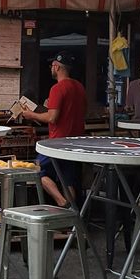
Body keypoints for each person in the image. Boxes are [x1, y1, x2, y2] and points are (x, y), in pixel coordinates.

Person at [21, 51, 87, 207]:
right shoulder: (79, 87)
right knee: (68, 179)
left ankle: (61, 201)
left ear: (57, 67)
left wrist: (31, 115)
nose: (51, 68)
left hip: (57, 143)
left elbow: (52, 118)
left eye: (52, 66)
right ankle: (72, 216)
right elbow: (79, 111)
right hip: (75, 143)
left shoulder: (57, 88)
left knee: (35, 169)